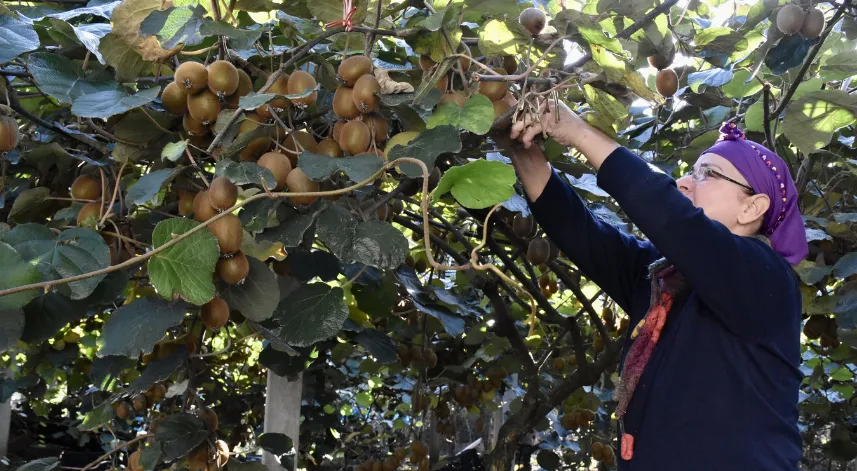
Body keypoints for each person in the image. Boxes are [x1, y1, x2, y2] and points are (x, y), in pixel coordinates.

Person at [507, 99, 809, 470]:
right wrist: (518, 142)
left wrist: (579, 132)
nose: (683, 182)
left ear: (752, 208)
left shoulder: (766, 276)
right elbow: (580, 232)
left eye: (707, 174)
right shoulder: (664, 279)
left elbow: (673, 218)